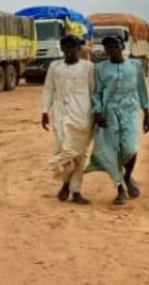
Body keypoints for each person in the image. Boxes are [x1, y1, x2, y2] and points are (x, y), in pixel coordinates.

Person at [87, 35, 149, 205]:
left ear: (122, 46)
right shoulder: (100, 68)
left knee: (131, 148)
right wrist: (98, 112)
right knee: (111, 151)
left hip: (129, 113)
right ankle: (120, 188)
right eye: (107, 47)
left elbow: (142, 91)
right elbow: (97, 93)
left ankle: (127, 176)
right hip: (109, 115)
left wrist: (146, 113)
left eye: (114, 46)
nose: (111, 50)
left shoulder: (135, 66)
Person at [41, 35, 94, 204]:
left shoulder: (89, 68)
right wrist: (44, 110)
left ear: (79, 49)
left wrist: (98, 112)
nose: (68, 51)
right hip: (61, 115)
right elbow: (49, 89)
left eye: (72, 47)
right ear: (61, 49)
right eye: (65, 48)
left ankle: (75, 190)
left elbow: (94, 92)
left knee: (81, 155)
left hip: (83, 115)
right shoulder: (55, 67)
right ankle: (66, 183)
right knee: (64, 150)